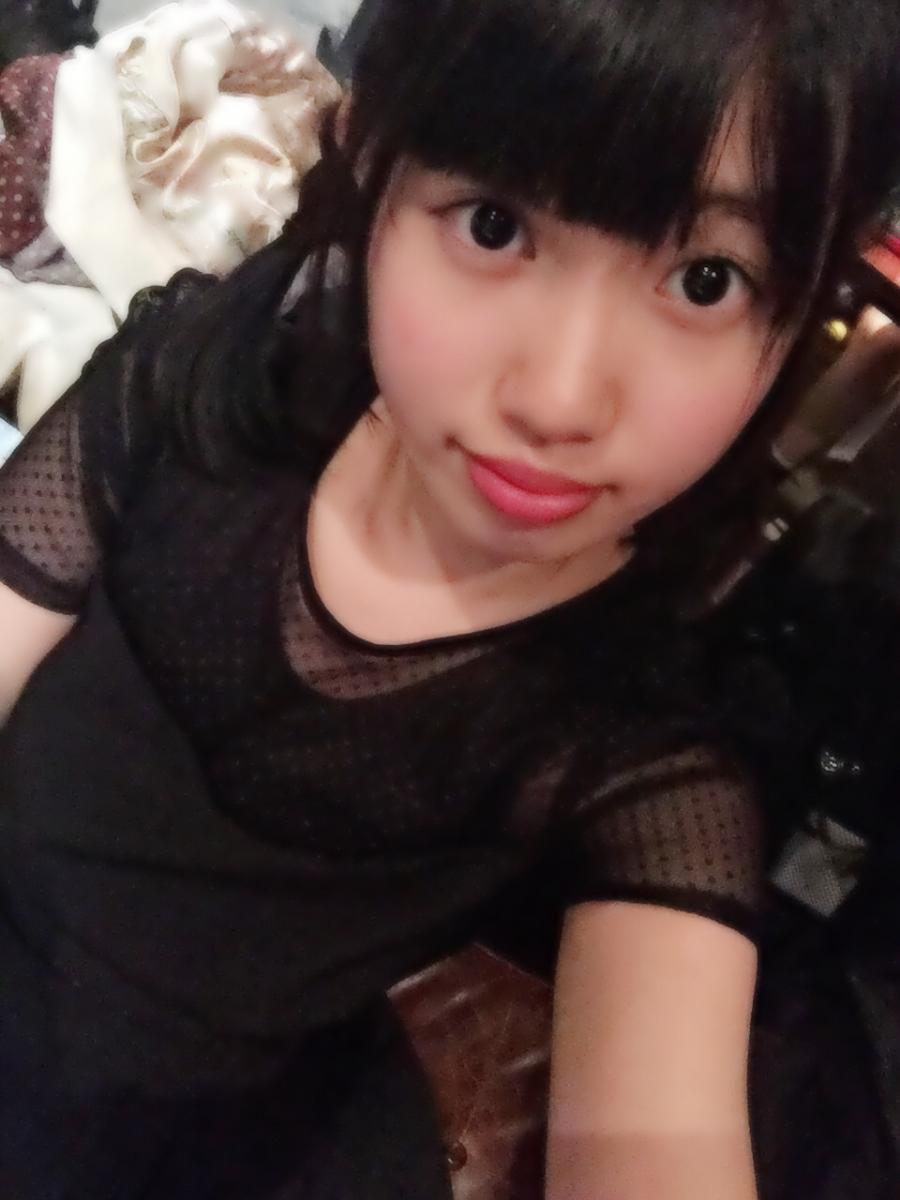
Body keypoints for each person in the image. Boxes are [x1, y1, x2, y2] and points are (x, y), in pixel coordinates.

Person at [1, 1, 899, 1197]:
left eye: (706, 279)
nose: (561, 399)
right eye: (493, 224)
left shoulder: (655, 753)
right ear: (372, 159)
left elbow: (658, 1136)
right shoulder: (208, 388)